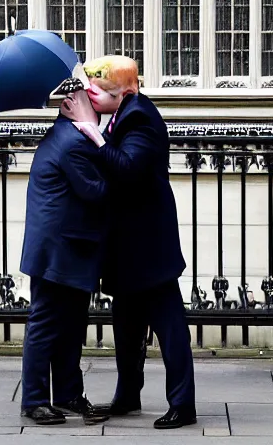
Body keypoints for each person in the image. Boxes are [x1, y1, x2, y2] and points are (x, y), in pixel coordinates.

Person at [73, 55, 196, 430]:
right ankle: (129, 393)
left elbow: (126, 167)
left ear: (123, 92)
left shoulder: (140, 116)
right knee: (126, 325)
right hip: (129, 246)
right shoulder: (124, 113)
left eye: (97, 90)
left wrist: (92, 134)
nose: (90, 95)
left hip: (148, 246)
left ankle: (182, 404)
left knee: (169, 327)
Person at [20, 78, 109, 426]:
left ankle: (69, 394)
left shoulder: (70, 135)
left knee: (71, 324)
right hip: (58, 250)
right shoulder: (73, 141)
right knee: (46, 324)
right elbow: (97, 190)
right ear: (74, 105)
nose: (99, 107)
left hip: (67, 246)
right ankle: (35, 400)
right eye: (92, 100)